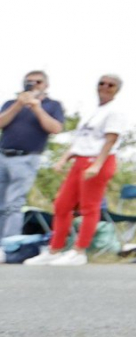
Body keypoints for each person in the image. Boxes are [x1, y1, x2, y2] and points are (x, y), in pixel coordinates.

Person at [34, 74, 130, 265]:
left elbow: (110, 140)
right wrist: (64, 159)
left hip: (98, 160)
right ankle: (54, 249)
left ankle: (79, 251)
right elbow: (80, 140)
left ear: (117, 89)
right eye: (101, 83)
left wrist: (97, 164)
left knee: (89, 207)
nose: (105, 87)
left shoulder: (115, 111)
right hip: (80, 160)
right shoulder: (92, 111)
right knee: (62, 204)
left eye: (110, 85)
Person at [1, 70, 66, 242]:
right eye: (29, 82)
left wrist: (36, 107)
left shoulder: (53, 105)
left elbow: (55, 128)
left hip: (27, 158)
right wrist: (19, 105)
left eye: (38, 82)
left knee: (13, 204)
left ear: (46, 85)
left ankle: (8, 244)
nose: (33, 85)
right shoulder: (11, 103)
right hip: (3, 155)